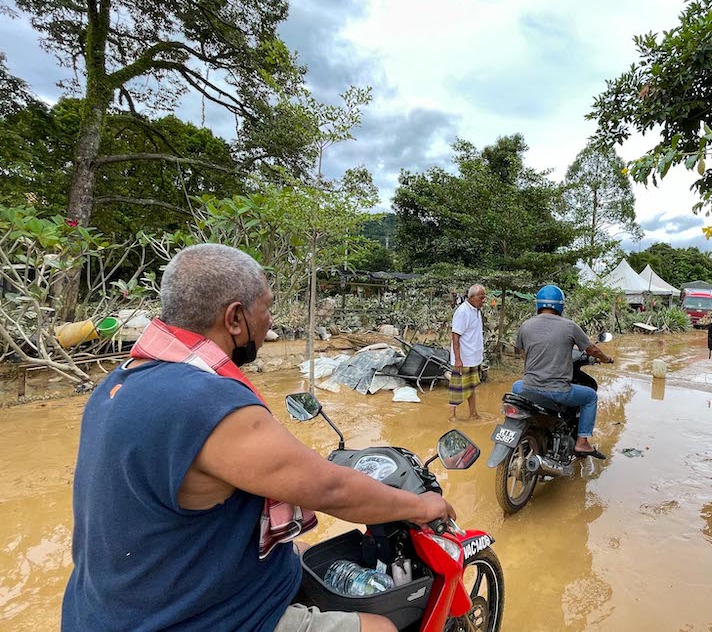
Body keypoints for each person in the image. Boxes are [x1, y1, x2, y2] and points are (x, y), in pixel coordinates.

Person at [62, 244, 455, 632]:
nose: (271, 323)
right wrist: (420, 506)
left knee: (301, 552)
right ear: (235, 318)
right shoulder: (208, 401)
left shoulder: (122, 379)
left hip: (107, 605)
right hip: (191, 619)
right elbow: (330, 489)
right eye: (266, 307)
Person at [512, 284, 613, 459]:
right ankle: (582, 442)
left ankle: (519, 425)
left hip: (528, 388)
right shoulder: (569, 326)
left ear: (538, 304)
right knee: (590, 396)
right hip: (557, 391)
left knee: (515, 386)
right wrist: (607, 359)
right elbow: (593, 350)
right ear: (561, 305)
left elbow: (521, 353)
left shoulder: (526, 325)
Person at [448, 284, 487, 421]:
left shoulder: (476, 310)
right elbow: (455, 335)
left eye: (484, 298)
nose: (483, 300)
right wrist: (458, 358)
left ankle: (473, 413)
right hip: (463, 358)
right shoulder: (463, 311)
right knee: (456, 387)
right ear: (471, 297)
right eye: (481, 298)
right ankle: (452, 416)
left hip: (473, 357)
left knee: (471, 386)